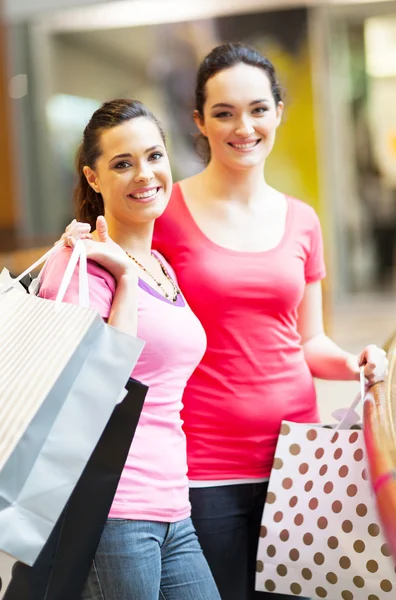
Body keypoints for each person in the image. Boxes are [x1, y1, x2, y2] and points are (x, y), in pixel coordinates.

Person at [64, 44, 387, 600]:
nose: (245, 126)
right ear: (199, 121)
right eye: (224, 112)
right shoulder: (163, 212)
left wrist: (358, 362)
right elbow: (106, 289)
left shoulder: (302, 220)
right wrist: (80, 243)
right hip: (197, 468)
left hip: (297, 460)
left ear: (279, 112)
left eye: (259, 108)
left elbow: (308, 341)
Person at [38, 99, 221, 600]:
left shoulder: (158, 264)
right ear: (93, 179)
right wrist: (119, 276)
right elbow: (96, 391)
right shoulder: (78, 266)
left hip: (171, 507)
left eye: (154, 156)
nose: (145, 174)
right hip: (112, 512)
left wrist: (128, 269)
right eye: (123, 163)